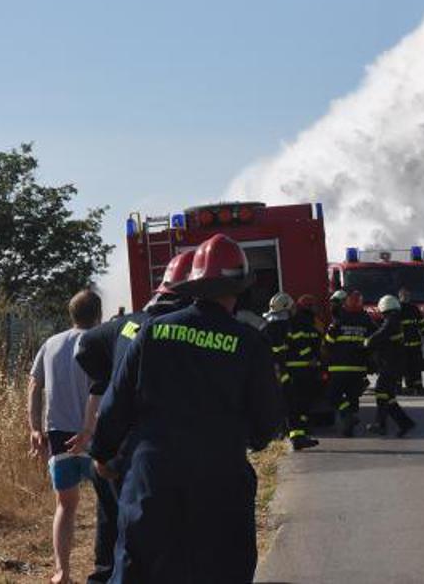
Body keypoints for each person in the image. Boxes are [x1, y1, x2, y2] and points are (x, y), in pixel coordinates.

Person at [89, 233, 283, 584]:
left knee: (140, 569)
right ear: (239, 288)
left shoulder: (151, 333)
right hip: (220, 479)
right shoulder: (250, 343)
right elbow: (267, 423)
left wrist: (102, 455)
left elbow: (116, 403)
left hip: (152, 478)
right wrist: (245, 439)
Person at [74, 251, 193, 584]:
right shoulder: (181, 330)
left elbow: (84, 348)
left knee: (111, 523)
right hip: (146, 451)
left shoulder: (126, 324)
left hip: (111, 443)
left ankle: (103, 576)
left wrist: (109, 377)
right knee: (144, 534)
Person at [28, 288, 102, 584]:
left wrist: (34, 427)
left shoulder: (50, 343)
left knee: (66, 506)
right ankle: (115, 566)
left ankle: (62, 572)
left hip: (58, 435)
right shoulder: (99, 340)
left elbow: (34, 386)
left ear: (71, 314)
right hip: (93, 433)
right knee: (112, 502)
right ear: (98, 314)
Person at [366, 295, 416, 437]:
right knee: (388, 395)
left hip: (391, 364)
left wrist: (367, 341)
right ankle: (404, 423)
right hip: (395, 364)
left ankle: (380, 424)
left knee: (381, 391)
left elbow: (380, 335)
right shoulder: (395, 320)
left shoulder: (390, 322)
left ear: (383, 308)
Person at [324, 289, 373, 437]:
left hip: (339, 367)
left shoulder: (340, 320)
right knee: (352, 398)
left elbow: (329, 342)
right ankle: (348, 426)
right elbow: (373, 341)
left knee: (333, 395)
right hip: (359, 369)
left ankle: (347, 416)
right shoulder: (366, 320)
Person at [282, 294, 324, 451]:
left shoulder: (313, 322)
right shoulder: (297, 322)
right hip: (298, 368)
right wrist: (310, 357)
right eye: (313, 306)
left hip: (308, 369)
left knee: (305, 402)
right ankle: (297, 436)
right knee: (297, 404)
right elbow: (300, 342)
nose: (316, 308)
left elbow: (319, 342)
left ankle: (302, 433)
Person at [398, 287, 424, 395]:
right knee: (401, 366)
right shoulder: (397, 309)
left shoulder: (414, 309)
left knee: (416, 366)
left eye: (407, 296)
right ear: (399, 297)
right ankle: (398, 387)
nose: (406, 298)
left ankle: (418, 387)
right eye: (404, 296)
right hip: (402, 344)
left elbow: (421, 323)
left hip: (415, 343)